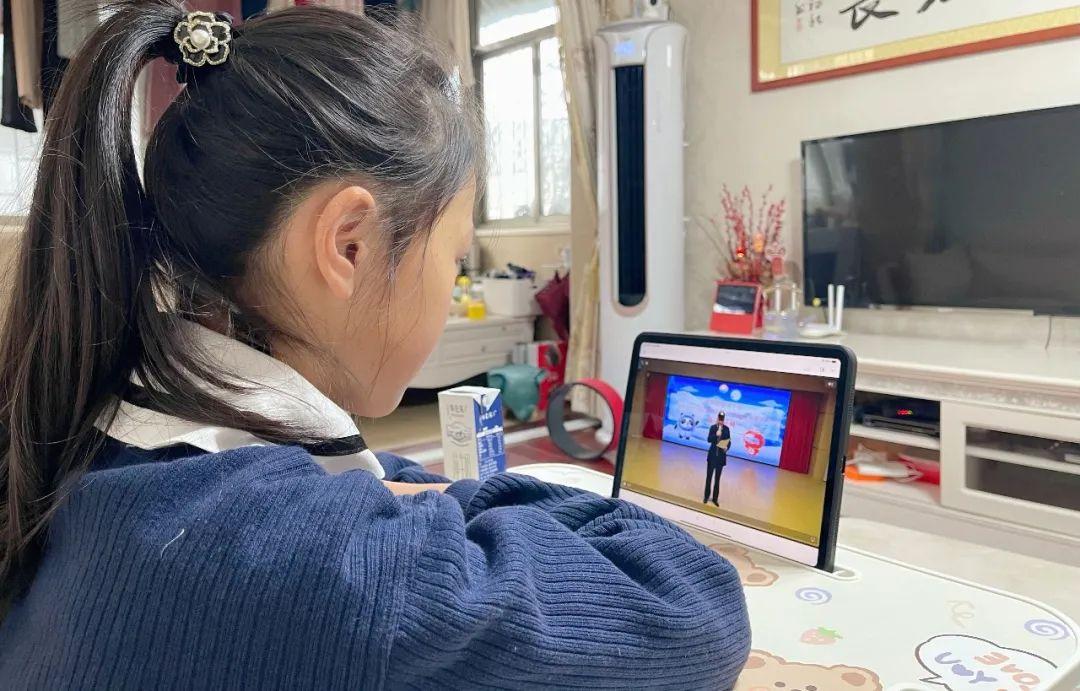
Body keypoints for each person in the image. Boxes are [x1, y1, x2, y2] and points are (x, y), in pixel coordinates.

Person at [0, 2, 750, 688]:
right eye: (454, 256)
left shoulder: (91, 432)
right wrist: (448, 497)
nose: (451, 283)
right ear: (348, 245)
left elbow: (365, 484)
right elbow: (696, 606)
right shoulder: (334, 567)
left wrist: (406, 490)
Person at [705, 412, 732, 506]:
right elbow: (709, 439)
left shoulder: (727, 429)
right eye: (719, 419)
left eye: (722, 419)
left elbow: (729, 441)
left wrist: (727, 447)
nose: (720, 421)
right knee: (709, 477)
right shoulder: (713, 427)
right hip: (712, 457)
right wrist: (716, 435)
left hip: (720, 458)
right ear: (717, 419)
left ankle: (715, 499)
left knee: (717, 479)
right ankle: (706, 496)